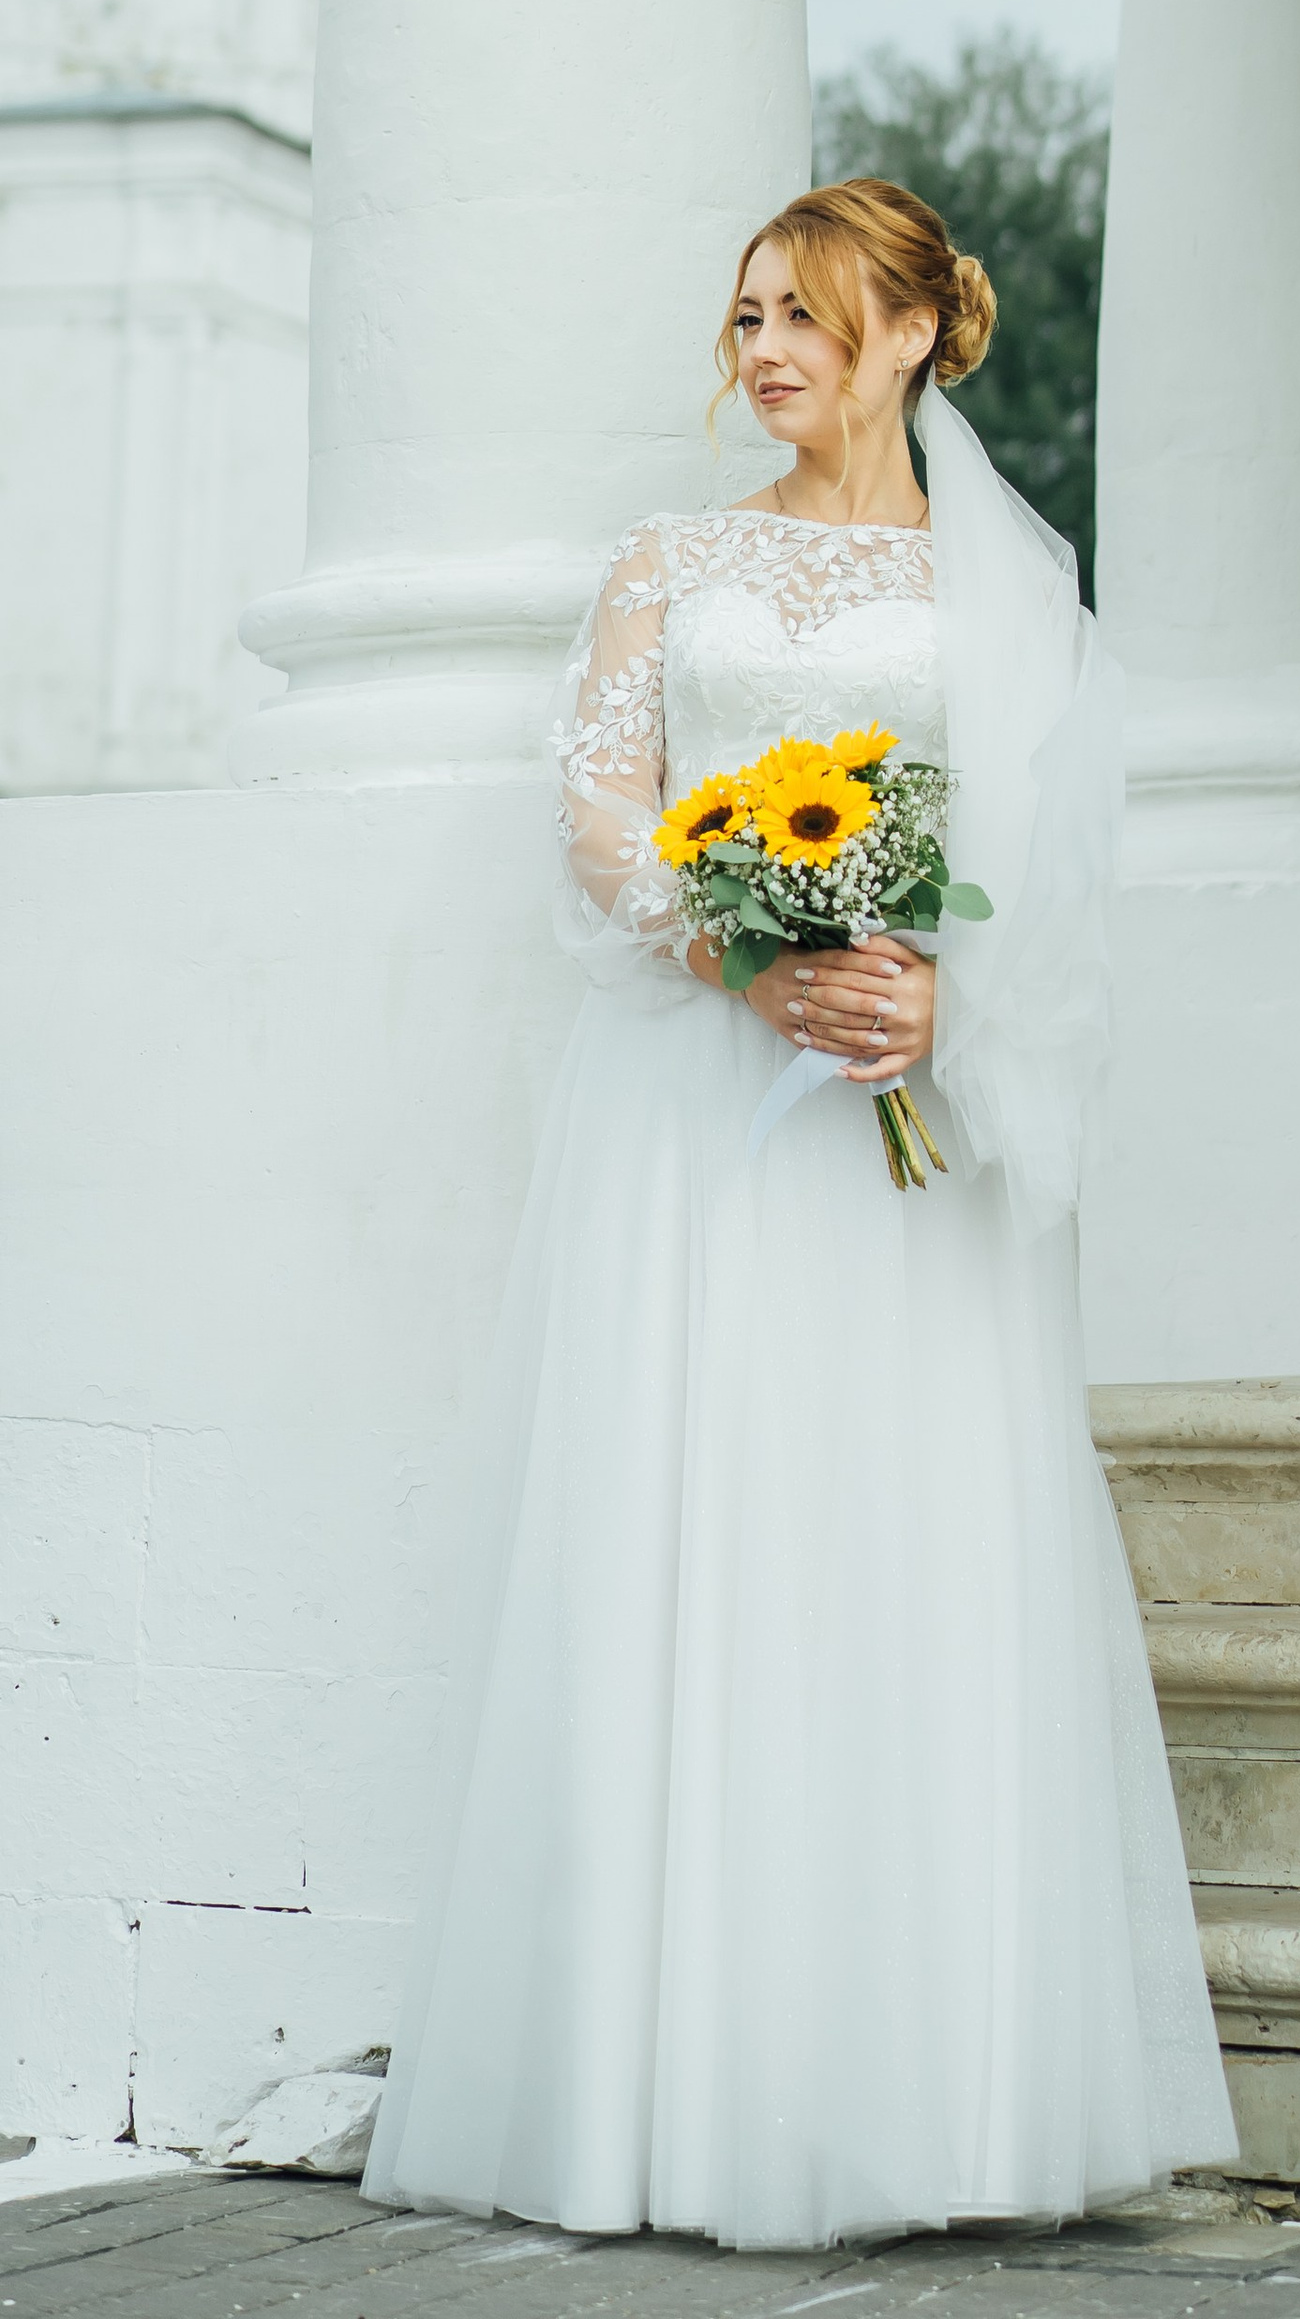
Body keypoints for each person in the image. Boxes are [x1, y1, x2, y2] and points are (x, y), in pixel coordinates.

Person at [365, 180, 1234, 2250]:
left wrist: (945, 1000)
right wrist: (739, 950)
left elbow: (1065, 880)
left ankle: (930, 2103)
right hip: (695, 1116)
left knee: (901, 1537)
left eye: (808, 314)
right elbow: (599, 812)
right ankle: (660, 2096)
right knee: (698, 1521)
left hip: (903, 1126)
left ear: (915, 333)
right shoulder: (671, 563)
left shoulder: (1013, 595)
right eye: (747, 313)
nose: (764, 350)